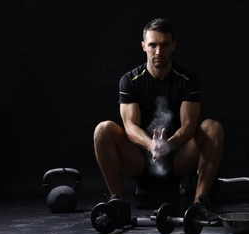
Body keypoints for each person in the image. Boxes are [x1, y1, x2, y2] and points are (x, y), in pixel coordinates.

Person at [93, 18, 224, 221]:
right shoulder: (129, 80)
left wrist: (168, 145)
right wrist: (152, 145)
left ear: (173, 46)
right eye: (152, 45)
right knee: (103, 130)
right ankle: (117, 203)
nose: (158, 52)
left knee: (213, 128)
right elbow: (129, 126)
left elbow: (189, 126)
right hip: (140, 159)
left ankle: (199, 203)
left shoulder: (187, 80)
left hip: (178, 158)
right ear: (144, 46)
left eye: (164, 45)